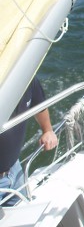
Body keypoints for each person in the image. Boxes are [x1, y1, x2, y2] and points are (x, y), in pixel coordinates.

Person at [0, 77, 58, 206]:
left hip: (15, 170)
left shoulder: (27, 78)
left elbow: (40, 106)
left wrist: (47, 130)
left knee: (22, 212)